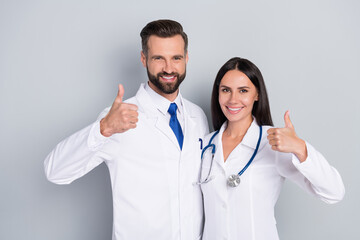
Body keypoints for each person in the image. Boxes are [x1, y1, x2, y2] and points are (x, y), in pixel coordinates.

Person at [44, 19, 209, 240]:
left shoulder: (197, 116)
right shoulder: (117, 119)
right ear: (144, 59)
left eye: (176, 58)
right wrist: (103, 129)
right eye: (158, 58)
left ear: (186, 58)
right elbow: (55, 171)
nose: (169, 68)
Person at [199, 57, 345, 240]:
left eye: (243, 91)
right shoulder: (205, 146)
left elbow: (334, 193)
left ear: (257, 95)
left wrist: (300, 148)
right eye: (226, 90)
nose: (233, 99)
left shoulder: (273, 142)